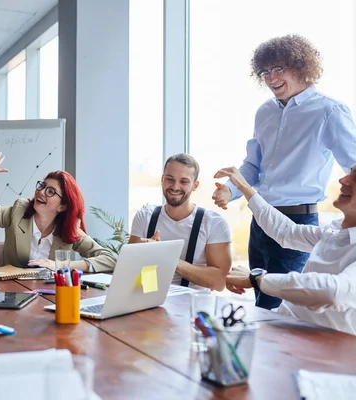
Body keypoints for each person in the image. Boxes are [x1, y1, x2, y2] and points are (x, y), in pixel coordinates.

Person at [212, 34, 356, 309]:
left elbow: (355, 165)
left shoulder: (329, 111)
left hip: (298, 223)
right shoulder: (264, 112)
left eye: (279, 69)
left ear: (301, 66)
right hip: (260, 219)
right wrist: (229, 190)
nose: (270, 77)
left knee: (280, 308)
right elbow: (252, 166)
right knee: (261, 305)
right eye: (265, 71)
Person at [217, 166, 356, 336]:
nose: (343, 180)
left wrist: (257, 279)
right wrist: (244, 187)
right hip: (284, 324)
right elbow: (287, 232)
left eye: (355, 178)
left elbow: (333, 293)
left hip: (319, 344)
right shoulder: (334, 230)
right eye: (349, 172)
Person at [0, 152, 116, 272]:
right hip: (8, 294)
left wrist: (61, 265)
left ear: (62, 206)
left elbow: (109, 259)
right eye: (42, 186)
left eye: (51, 192)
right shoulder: (16, 213)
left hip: (48, 298)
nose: (41, 192)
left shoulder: (68, 230)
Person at [129, 154, 231, 291]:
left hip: (193, 307)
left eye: (184, 182)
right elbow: (129, 268)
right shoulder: (145, 216)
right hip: (149, 303)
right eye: (170, 179)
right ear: (162, 180)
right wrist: (143, 253)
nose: (175, 187)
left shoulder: (214, 223)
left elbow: (219, 282)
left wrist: (169, 258)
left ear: (195, 186)